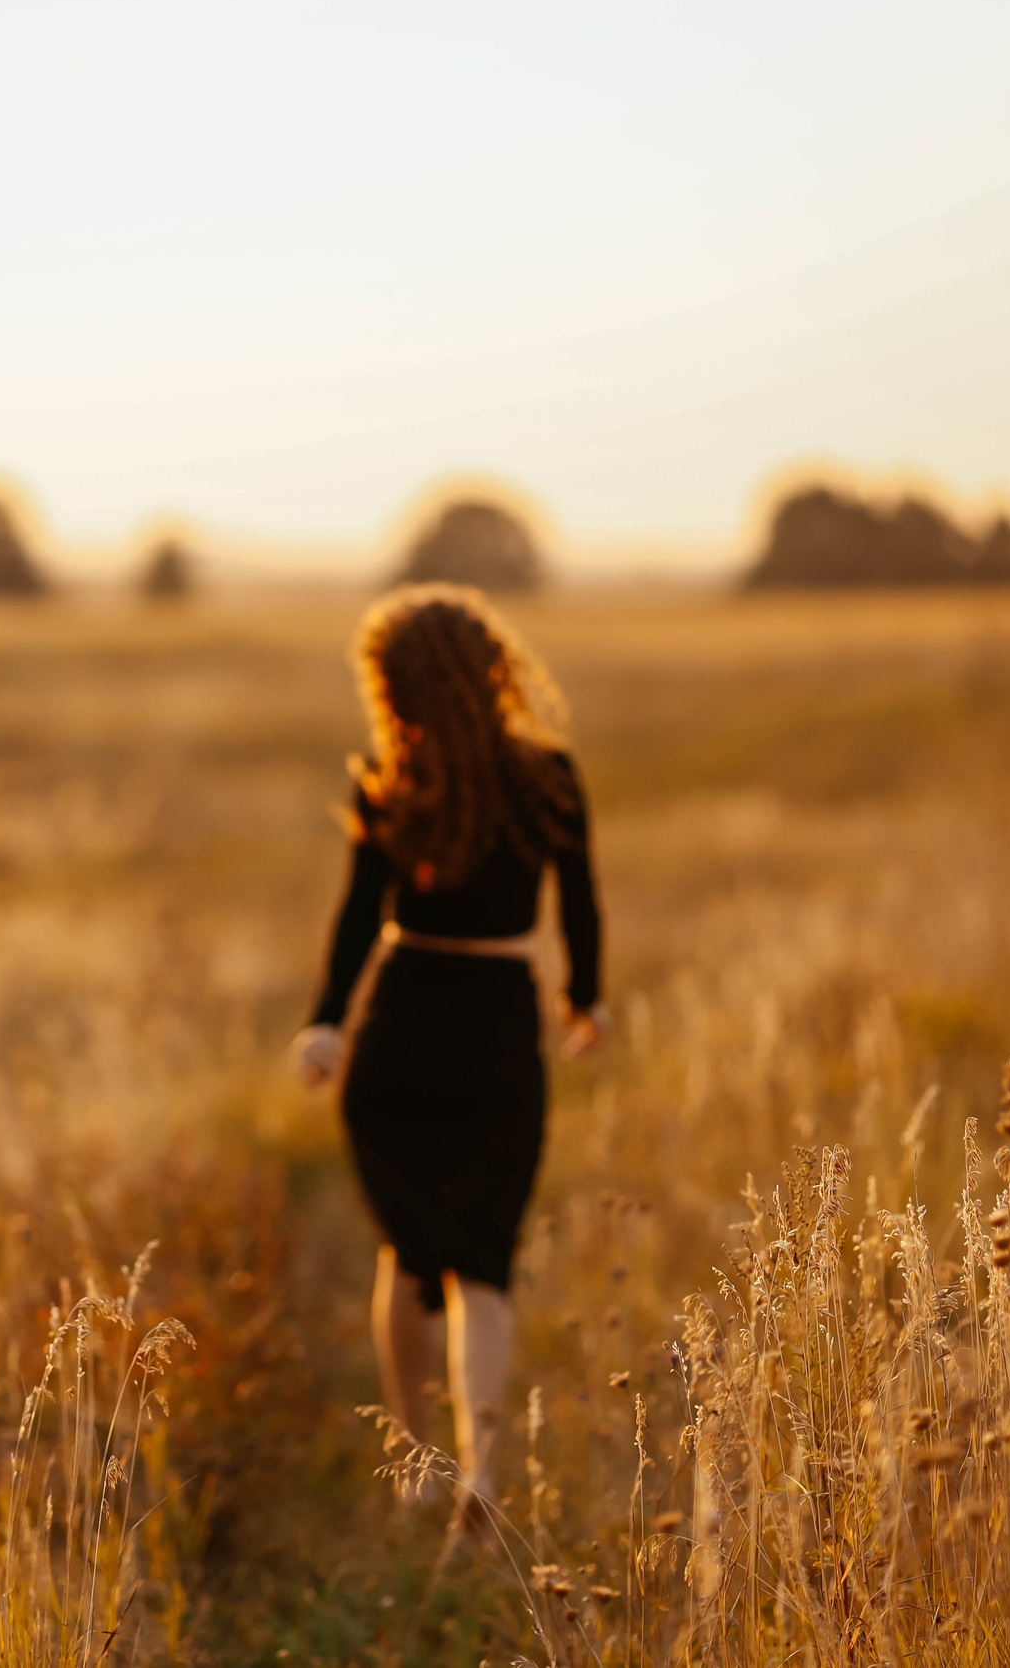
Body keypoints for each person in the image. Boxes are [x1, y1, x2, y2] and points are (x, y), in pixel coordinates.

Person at [291, 583, 605, 1533]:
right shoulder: (550, 776)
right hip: (499, 1032)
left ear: (393, 685)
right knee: (484, 1265)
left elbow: (356, 916)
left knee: (408, 1250)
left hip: (399, 1033)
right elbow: (582, 907)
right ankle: (486, 1472)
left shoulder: (391, 783)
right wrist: (583, 997)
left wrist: (327, 1022)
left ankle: (417, 1463)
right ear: (491, 667)